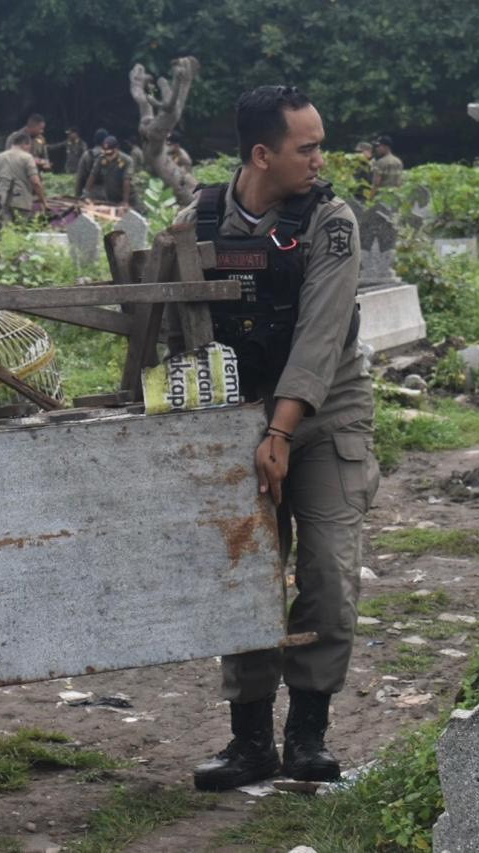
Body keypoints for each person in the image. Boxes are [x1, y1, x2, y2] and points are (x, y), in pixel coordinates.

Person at [174, 85, 378, 792]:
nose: (322, 159)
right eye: (308, 147)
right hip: (236, 414)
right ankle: (250, 740)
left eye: (322, 143)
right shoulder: (195, 223)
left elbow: (322, 337)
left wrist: (282, 431)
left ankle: (309, 734)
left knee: (326, 570)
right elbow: (172, 325)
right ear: (262, 154)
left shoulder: (331, 222)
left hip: (324, 416)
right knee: (246, 570)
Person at [0, 131, 46, 223]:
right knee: (21, 230)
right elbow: (36, 182)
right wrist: (43, 201)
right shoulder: (27, 158)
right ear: (26, 144)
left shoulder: (0, 156)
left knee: (6, 231)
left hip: (2, 200)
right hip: (22, 201)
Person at [82, 135, 134, 211]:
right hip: (112, 198)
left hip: (129, 197)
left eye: (110, 154)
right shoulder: (101, 159)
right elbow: (93, 175)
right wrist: (86, 194)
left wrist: (125, 201)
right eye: (105, 154)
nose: (107, 157)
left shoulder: (127, 160)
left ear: (116, 150)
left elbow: (126, 180)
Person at [75, 128, 109, 200]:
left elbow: (80, 178)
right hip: (107, 194)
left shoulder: (87, 155)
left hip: (90, 194)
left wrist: (77, 196)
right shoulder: (110, 156)